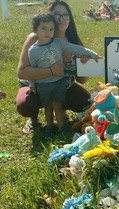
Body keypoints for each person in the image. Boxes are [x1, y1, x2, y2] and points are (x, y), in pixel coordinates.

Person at [16, 1, 99, 134]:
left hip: (62, 86)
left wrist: (85, 65)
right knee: (26, 105)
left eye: (65, 15)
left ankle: (60, 112)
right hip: (36, 87)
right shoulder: (36, 38)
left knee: (84, 101)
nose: (61, 18)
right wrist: (50, 71)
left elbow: (82, 80)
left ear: (70, 19)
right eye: (57, 14)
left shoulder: (73, 42)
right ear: (49, 17)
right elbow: (22, 72)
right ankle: (33, 119)